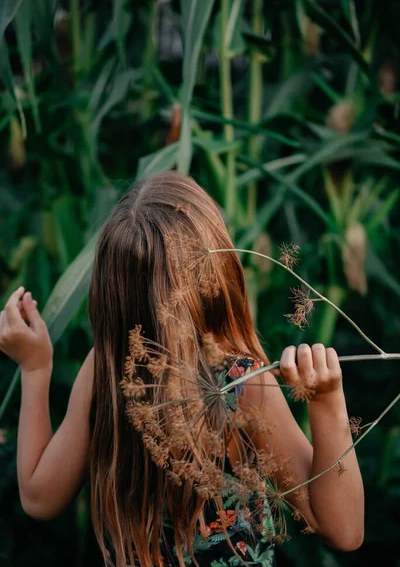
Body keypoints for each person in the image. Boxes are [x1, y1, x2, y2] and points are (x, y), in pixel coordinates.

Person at [0, 172, 364, 567]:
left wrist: (36, 369)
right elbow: (344, 532)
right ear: (219, 272)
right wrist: (327, 401)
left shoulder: (105, 370)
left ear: (110, 294)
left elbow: (39, 498)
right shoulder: (241, 384)